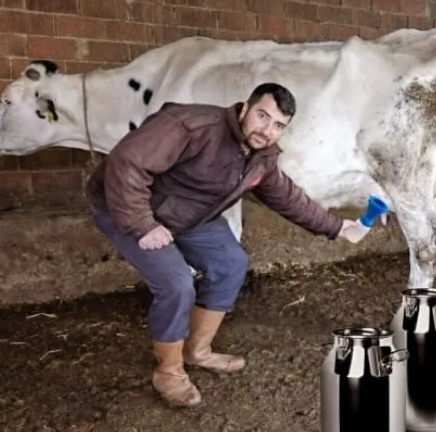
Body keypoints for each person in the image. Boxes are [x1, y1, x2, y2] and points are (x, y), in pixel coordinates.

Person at [85, 82, 362, 407]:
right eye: (262, 116)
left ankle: (197, 350)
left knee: (231, 263)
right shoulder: (191, 125)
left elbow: (288, 198)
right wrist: (142, 224)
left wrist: (337, 226)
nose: (267, 130)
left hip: (189, 214)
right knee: (176, 284)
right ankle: (169, 372)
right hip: (129, 205)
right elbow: (126, 162)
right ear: (244, 108)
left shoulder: (261, 157)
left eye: (278, 126)